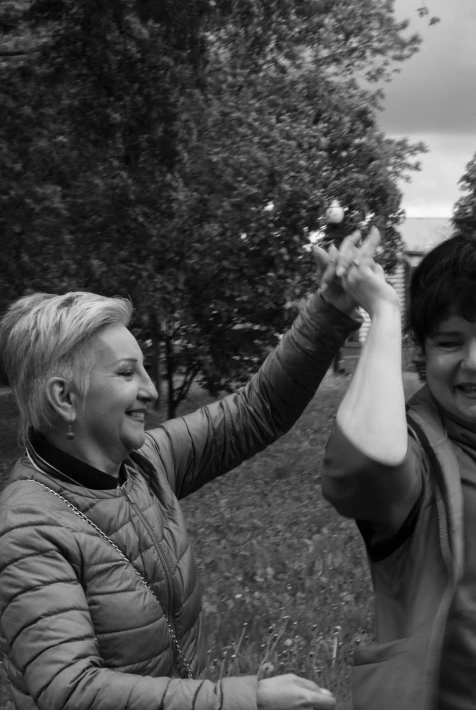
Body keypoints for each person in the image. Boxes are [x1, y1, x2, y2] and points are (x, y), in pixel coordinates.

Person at [0, 229, 378, 710]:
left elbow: (255, 410)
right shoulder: (28, 527)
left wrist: (331, 308)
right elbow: (70, 691)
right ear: (64, 398)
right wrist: (247, 700)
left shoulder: (143, 465)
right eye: (125, 372)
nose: (151, 390)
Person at [322, 231, 476, 710]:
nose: (474, 362)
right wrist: (385, 312)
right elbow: (359, 467)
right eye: (449, 343)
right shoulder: (417, 454)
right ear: (424, 354)